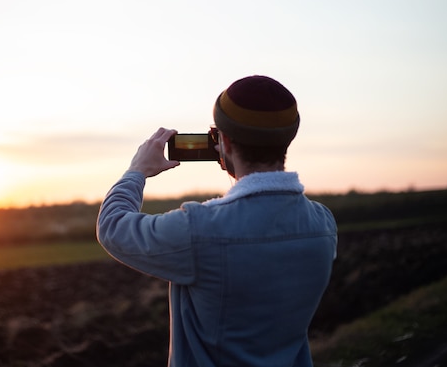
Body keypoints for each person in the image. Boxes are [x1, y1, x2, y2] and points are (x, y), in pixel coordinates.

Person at [97, 75, 337, 367]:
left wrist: (136, 171)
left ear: (222, 141)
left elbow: (112, 226)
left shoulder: (200, 229)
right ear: (287, 139)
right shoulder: (323, 225)